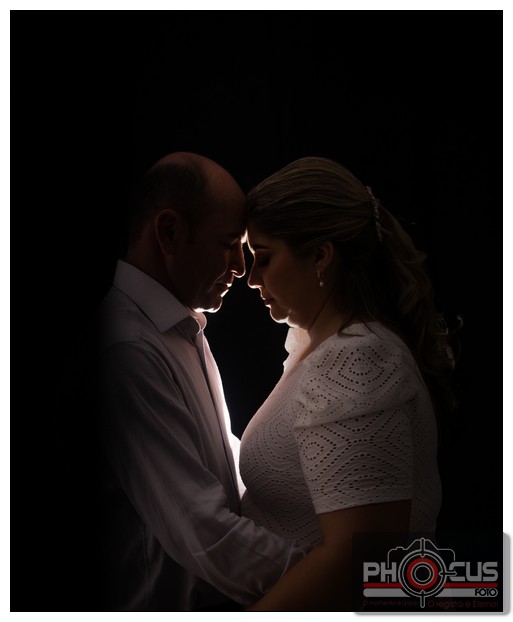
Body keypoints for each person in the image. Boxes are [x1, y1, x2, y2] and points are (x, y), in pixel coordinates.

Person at [239, 156, 459, 611]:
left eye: (264, 257)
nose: (251, 278)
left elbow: (362, 562)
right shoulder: (315, 346)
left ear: (321, 256)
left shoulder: (356, 359)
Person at [93, 152, 306, 611]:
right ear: (169, 233)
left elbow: (223, 472)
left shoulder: (180, 328)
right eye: (228, 244)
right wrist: (333, 577)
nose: (240, 267)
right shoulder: (128, 349)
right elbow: (205, 532)